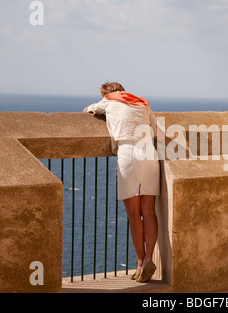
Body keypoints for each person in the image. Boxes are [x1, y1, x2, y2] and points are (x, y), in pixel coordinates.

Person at [84, 82, 160, 283]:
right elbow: (157, 130)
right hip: (149, 153)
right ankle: (150, 257)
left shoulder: (108, 101)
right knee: (149, 211)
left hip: (129, 153)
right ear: (123, 90)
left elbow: (90, 109)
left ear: (107, 94)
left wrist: (94, 108)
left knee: (134, 214)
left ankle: (140, 263)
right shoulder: (142, 102)